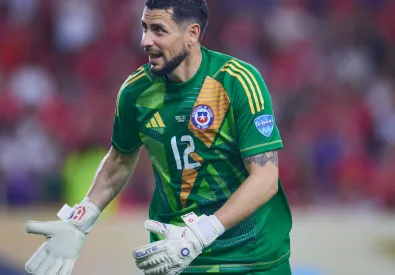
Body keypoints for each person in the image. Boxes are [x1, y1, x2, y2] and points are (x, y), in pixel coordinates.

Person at [24, 0, 293, 274]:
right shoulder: (135, 92)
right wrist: (81, 219)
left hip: (252, 259)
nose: (145, 40)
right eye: (144, 28)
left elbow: (265, 178)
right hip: (175, 256)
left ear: (192, 34)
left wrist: (202, 233)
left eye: (158, 30)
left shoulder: (237, 81)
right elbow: (120, 159)